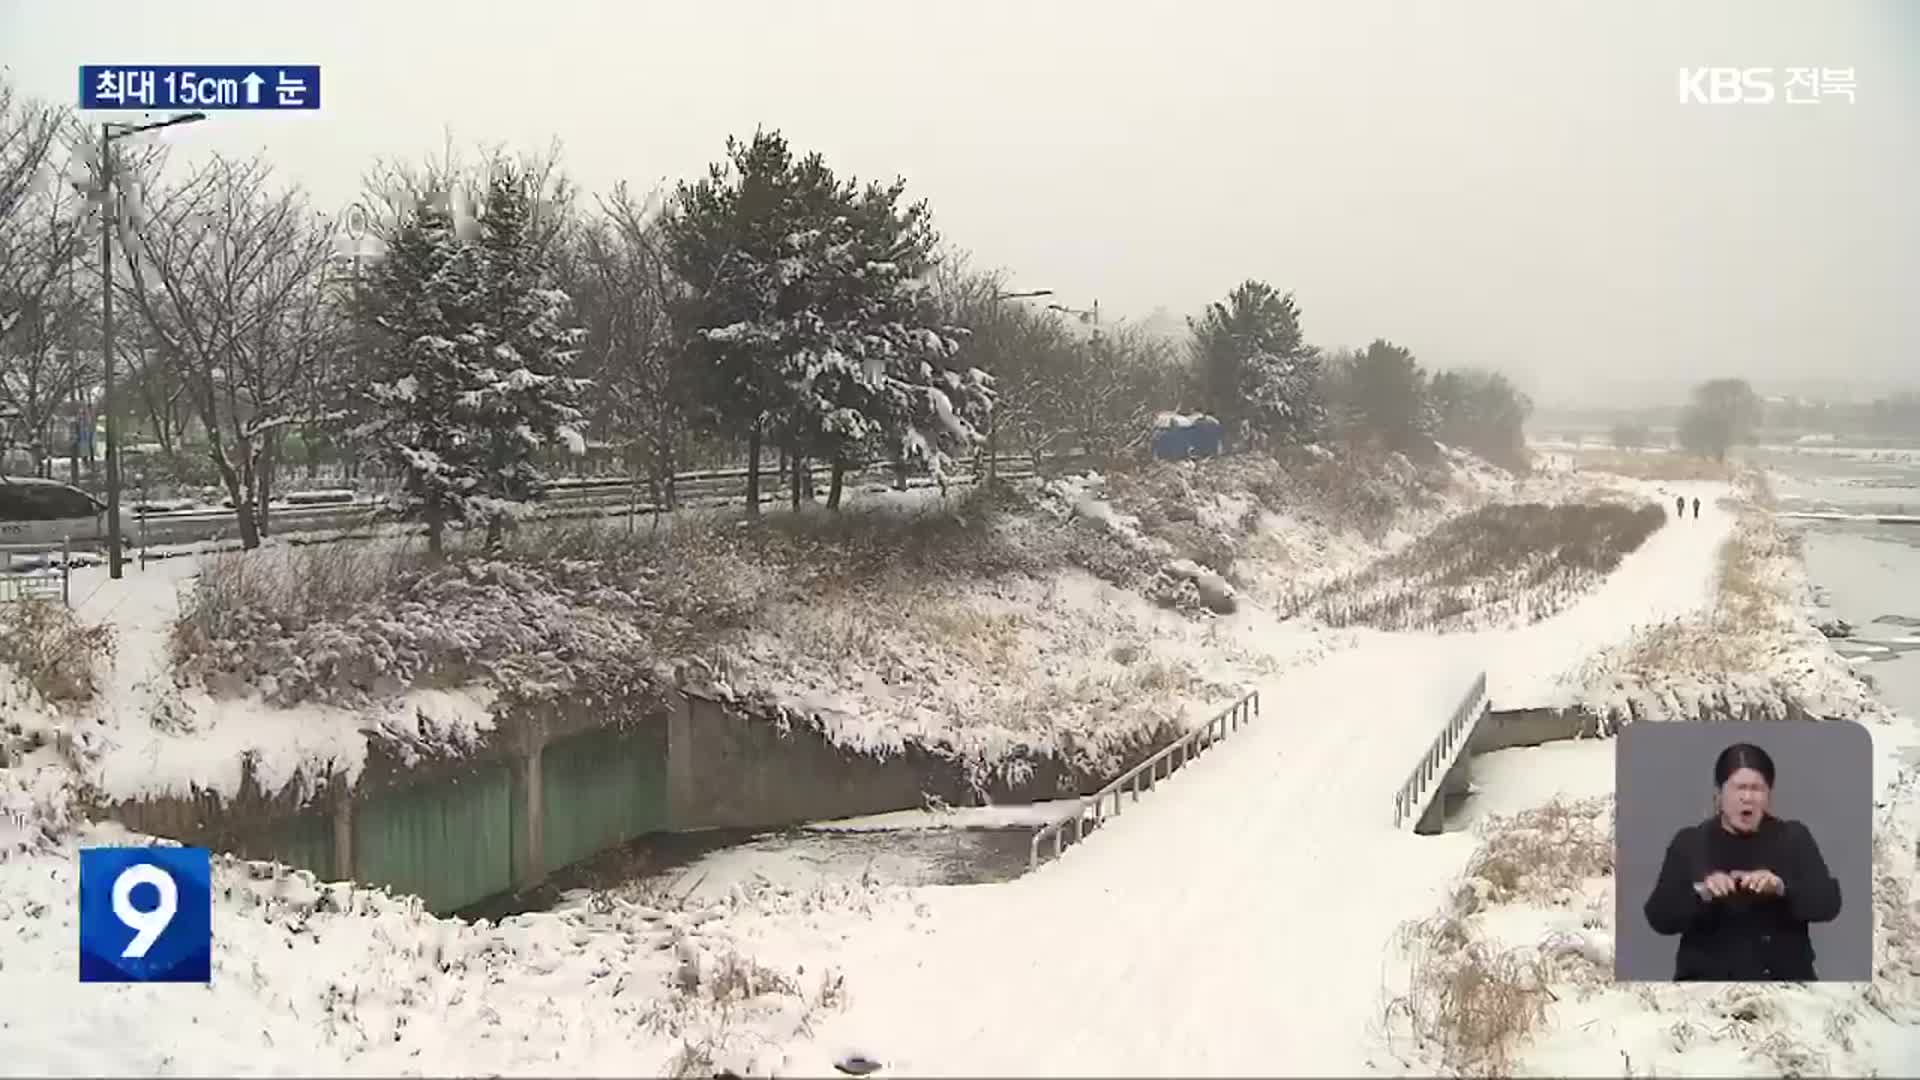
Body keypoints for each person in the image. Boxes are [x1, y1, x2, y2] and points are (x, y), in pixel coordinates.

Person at [1644, 742, 1842, 980]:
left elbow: (1828, 904)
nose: (1747, 797)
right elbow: (1659, 917)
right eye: (1739, 787)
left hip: (1783, 984)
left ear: (1768, 795)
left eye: (1757, 788)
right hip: (1706, 987)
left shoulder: (1793, 837)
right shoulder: (1690, 842)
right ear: (1719, 794)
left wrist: (1781, 887)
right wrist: (1702, 892)